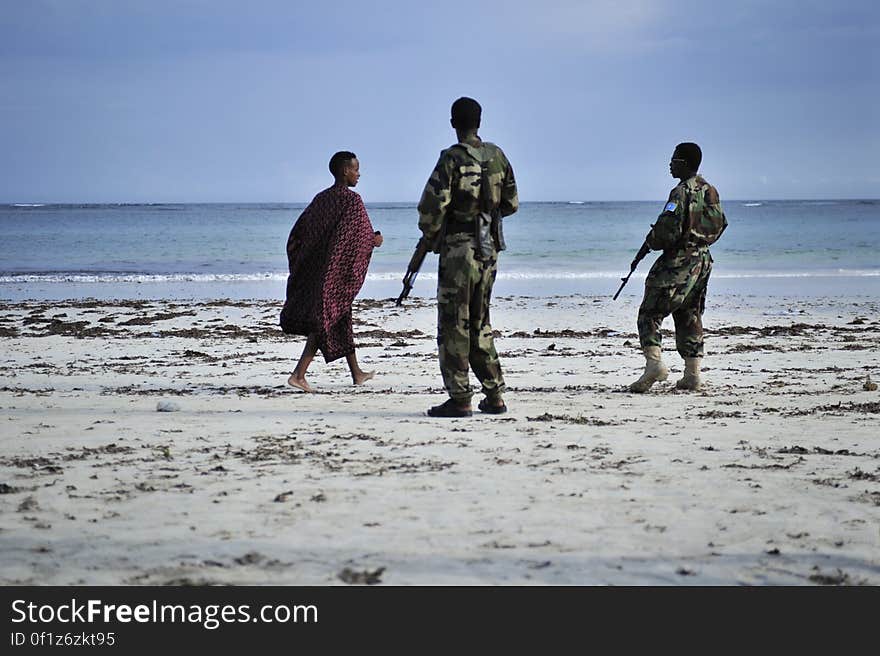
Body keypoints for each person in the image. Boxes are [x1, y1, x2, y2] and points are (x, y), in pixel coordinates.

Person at [417, 97, 519, 417]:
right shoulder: (497, 155)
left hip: (459, 249)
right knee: (480, 321)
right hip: (489, 249)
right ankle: (494, 394)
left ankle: (460, 397)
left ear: (452, 123)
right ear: (480, 121)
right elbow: (512, 202)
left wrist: (432, 235)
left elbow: (431, 208)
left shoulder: (452, 158)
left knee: (454, 324)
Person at [280, 151, 383, 392]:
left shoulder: (321, 199)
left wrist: (305, 264)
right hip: (335, 276)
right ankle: (298, 374)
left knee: (341, 318)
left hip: (319, 273)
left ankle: (357, 373)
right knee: (325, 321)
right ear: (345, 171)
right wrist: (374, 240)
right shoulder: (352, 201)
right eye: (356, 169)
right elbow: (355, 237)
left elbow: (300, 233)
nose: (359, 174)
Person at [629, 142, 727, 393]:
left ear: (684, 163)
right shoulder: (710, 190)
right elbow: (721, 224)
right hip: (703, 260)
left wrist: (649, 244)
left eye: (673, 160)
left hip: (680, 260)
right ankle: (692, 374)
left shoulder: (680, 192)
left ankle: (654, 365)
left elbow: (667, 230)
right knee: (690, 313)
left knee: (650, 312)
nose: (670, 164)